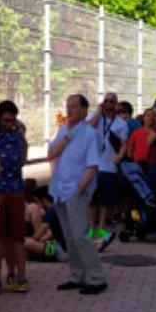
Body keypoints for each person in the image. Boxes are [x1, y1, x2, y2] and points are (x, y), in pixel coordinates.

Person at [48, 94, 107, 295]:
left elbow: (92, 166)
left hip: (75, 191)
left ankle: (96, 278)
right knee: (69, 237)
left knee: (81, 236)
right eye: (68, 105)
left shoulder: (90, 134)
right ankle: (76, 275)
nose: (70, 109)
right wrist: (65, 138)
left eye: (74, 106)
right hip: (58, 191)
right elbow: (51, 154)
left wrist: (79, 190)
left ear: (84, 110)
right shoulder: (63, 130)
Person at [0, 100, 29, 293]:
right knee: (0, 237)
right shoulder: (14, 137)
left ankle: (16, 276)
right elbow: (23, 159)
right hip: (1, 191)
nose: (9, 124)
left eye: (12, 120)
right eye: (6, 120)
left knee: (15, 237)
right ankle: (0, 278)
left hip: (10, 191)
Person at [86, 91, 127, 243]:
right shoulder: (95, 117)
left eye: (112, 101)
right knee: (92, 201)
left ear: (116, 104)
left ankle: (101, 228)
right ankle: (91, 229)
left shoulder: (121, 124)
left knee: (104, 202)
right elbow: (87, 128)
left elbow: (124, 143)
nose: (108, 104)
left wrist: (120, 156)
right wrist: (98, 112)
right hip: (93, 165)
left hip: (109, 166)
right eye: (106, 101)